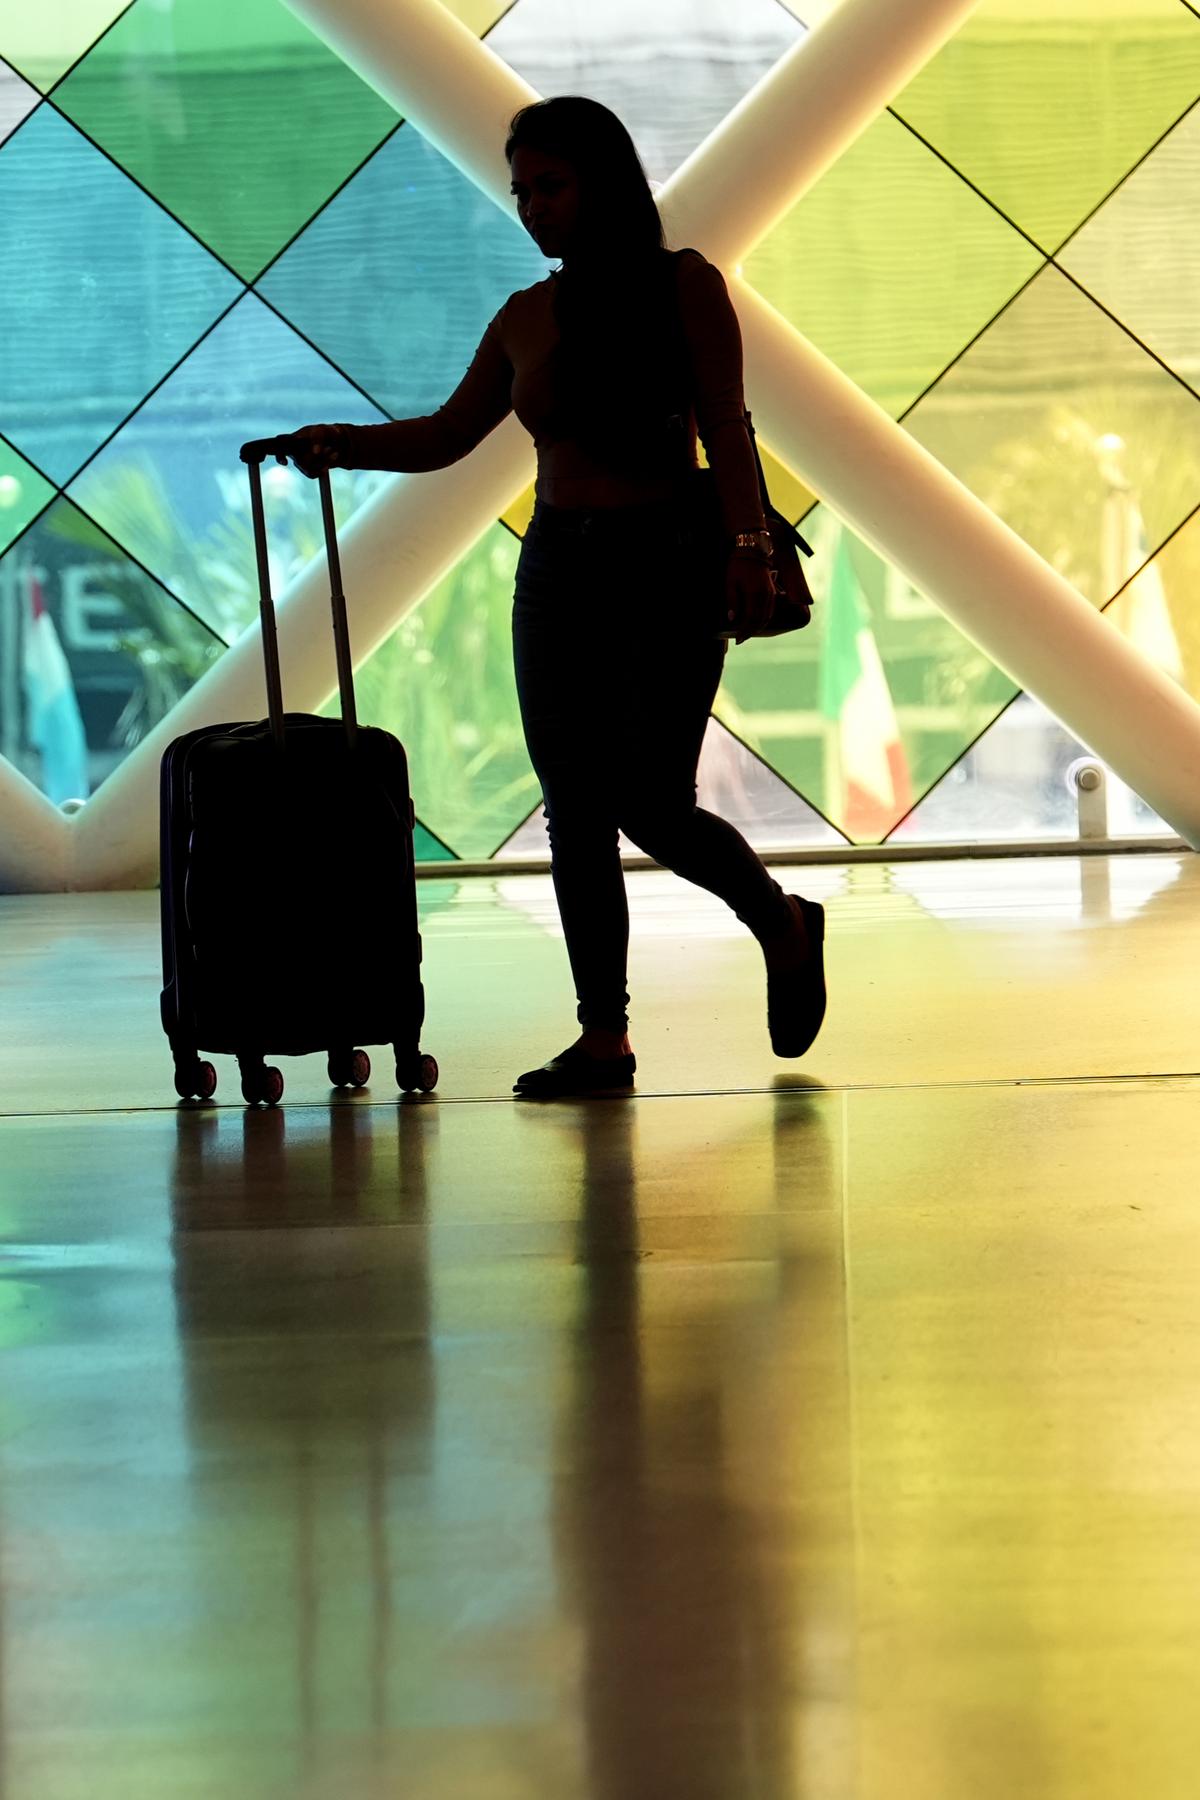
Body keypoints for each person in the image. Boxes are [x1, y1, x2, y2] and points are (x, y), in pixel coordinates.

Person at [280, 96, 826, 1098]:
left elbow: (726, 423)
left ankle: (783, 925)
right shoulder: (526, 317)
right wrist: (337, 444)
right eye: (522, 190)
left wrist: (748, 544)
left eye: (553, 185)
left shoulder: (683, 287)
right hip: (559, 567)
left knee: (651, 803)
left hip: (668, 557)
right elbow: (449, 435)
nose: (533, 207)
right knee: (575, 808)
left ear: (605, 183)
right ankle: (604, 1039)